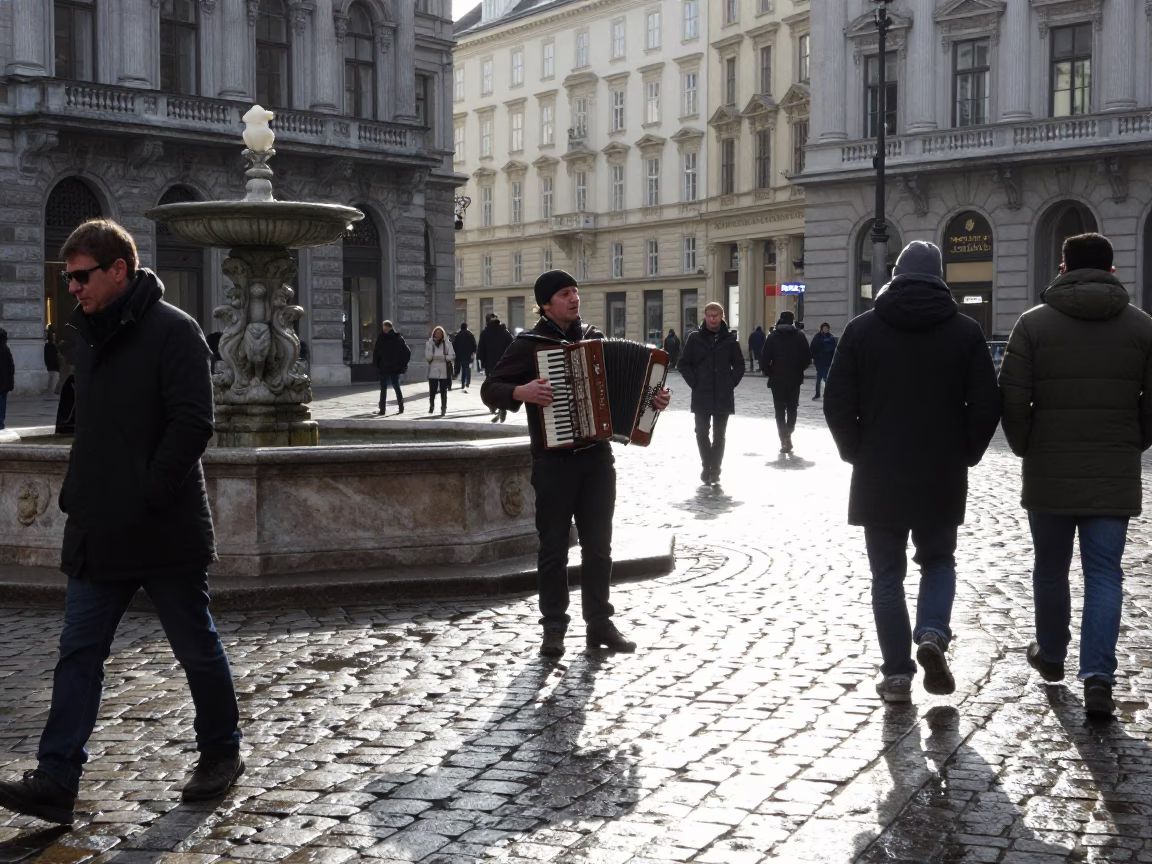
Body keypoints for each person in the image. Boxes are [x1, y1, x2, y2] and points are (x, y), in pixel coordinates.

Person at [0, 219, 243, 826]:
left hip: (162, 526)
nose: (73, 288)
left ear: (119, 270)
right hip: (96, 527)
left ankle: (221, 752)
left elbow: (193, 423)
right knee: (77, 652)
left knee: (195, 647)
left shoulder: (176, 331)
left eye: (82, 277)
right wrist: (80, 498)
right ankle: (56, 779)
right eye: (68, 278)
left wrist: (147, 492)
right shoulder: (86, 332)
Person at [823, 240, 1000, 703]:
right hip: (941, 469)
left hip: (878, 470)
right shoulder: (965, 331)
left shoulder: (861, 330)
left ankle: (897, 675)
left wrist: (855, 451)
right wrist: (967, 452)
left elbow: (837, 402)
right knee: (938, 561)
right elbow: (986, 404)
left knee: (886, 574)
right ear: (941, 277)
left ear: (895, 275)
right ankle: (933, 633)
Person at [1000, 233, 1152, 718]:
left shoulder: (1032, 324)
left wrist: (1027, 446)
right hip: (1113, 468)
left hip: (1049, 468)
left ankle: (1051, 654)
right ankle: (1099, 677)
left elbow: (1012, 398)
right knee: (1105, 574)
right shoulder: (1142, 327)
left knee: (1049, 569)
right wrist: (1131, 442)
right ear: (1112, 271)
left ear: (1062, 268)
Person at [480, 270, 670, 658]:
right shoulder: (529, 346)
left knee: (599, 547)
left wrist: (654, 403)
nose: (574, 299)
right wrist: (522, 391)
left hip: (598, 460)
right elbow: (490, 388)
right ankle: (554, 628)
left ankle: (599, 623)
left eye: (576, 292)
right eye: (565, 294)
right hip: (553, 463)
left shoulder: (594, 339)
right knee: (553, 548)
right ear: (547, 304)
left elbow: (631, 397)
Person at [678, 303, 744, 485]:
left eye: (715, 315)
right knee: (700, 432)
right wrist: (694, 382)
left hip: (723, 394)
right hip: (702, 393)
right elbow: (683, 364)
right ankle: (707, 464)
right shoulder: (694, 338)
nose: (712, 319)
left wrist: (730, 382)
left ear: (721, 316)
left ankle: (715, 469)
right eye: (709, 315)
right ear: (705, 317)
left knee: (719, 434)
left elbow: (739, 365)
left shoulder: (730, 340)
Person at [761, 311, 811, 454]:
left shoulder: (773, 336)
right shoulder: (799, 335)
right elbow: (807, 358)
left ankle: (784, 437)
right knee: (792, 407)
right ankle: (789, 431)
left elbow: (764, 358)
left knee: (779, 409)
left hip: (777, 378)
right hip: (794, 378)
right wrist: (798, 369)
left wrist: (770, 371)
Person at [479, 315, 514, 422]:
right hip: (503, 365)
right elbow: (512, 347)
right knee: (502, 387)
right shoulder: (505, 332)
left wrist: (482, 363)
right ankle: (502, 408)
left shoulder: (485, 333)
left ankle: (493, 406)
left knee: (490, 387)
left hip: (490, 365)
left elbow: (481, 349)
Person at [372, 320, 410, 416]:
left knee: (396, 386)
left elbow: (407, 352)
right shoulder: (380, 337)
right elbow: (376, 352)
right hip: (383, 367)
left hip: (394, 367)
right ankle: (382, 409)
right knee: (383, 388)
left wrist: (402, 364)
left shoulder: (397, 338)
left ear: (390, 327)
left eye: (386, 327)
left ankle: (401, 407)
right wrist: (376, 364)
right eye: (383, 327)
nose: (385, 329)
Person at [425, 326, 455, 417]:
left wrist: (442, 357)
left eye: (440, 333)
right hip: (433, 369)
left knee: (443, 391)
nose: (438, 335)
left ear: (443, 334)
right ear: (434, 334)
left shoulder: (448, 344)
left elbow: (452, 355)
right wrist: (439, 356)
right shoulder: (429, 343)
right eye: (436, 333)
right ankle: (431, 405)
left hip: (444, 370)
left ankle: (443, 407)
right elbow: (428, 356)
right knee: (432, 390)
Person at [809, 322, 837, 400]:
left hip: (827, 362)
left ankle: (827, 393)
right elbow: (813, 348)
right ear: (821, 329)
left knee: (826, 379)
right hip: (819, 362)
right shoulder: (817, 337)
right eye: (824, 328)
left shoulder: (831, 338)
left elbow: (834, 350)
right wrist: (814, 357)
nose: (826, 329)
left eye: (827, 328)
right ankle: (818, 394)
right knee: (819, 379)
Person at [452, 322, 477, 393]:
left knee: (463, 368)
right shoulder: (470, 335)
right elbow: (474, 345)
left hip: (459, 355)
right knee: (466, 369)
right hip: (468, 355)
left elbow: (454, 345)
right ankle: (467, 382)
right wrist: (473, 353)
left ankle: (463, 383)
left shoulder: (458, 335)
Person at [0, 329, 13, 430]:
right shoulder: (6, 349)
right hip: (4, 381)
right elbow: (11, 367)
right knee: (2, 401)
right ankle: (0, 422)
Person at [45, 328, 60, 395]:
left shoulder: (50, 346)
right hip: (53, 367)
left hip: (51, 366)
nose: (55, 337)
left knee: (51, 381)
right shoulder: (50, 346)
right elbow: (52, 357)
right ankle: (51, 393)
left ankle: (50, 393)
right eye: (54, 336)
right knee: (53, 381)